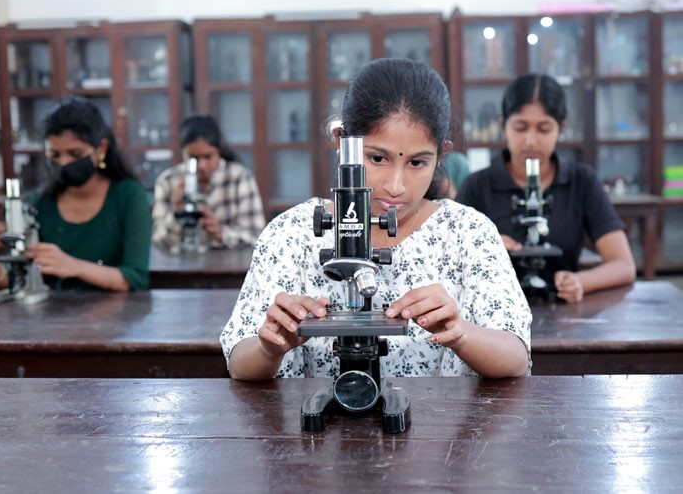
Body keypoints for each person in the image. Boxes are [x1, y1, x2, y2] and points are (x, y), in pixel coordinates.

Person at [220, 58, 531, 381]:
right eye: (377, 158)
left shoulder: (468, 233)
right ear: (342, 142)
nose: (395, 187)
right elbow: (240, 362)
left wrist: (463, 335)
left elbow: (516, 357)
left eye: (417, 163)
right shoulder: (290, 235)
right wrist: (269, 348)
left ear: (442, 154)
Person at [457, 74, 636, 303]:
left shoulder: (581, 182)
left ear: (561, 128)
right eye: (520, 128)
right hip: (492, 319)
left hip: (563, 314)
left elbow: (623, 265)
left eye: (544, 129)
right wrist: (483, 247)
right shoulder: (477, 186)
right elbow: (448, 263)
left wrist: (580, 282)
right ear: (503, 126)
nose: (531, 141)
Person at [0, 96, 151, 291]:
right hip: (54, 316)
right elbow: (12, 283)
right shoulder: (38, 204)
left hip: (116, 316)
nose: (64, 163)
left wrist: (74, 266)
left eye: (75, 154)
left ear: (101, 149)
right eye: (54, 155)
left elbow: (136, 278)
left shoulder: (127, 196)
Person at [152, 114, 266, 249]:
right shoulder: (167, 182)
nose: (201, 166)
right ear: (183, 153)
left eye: (208, 156)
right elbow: (158, 241)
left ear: (219, 151)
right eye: (193, 158)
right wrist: (177, 213)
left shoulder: (240, 178)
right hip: (181, 268)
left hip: (230, 268)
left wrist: (221, 234)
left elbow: (258, 237)